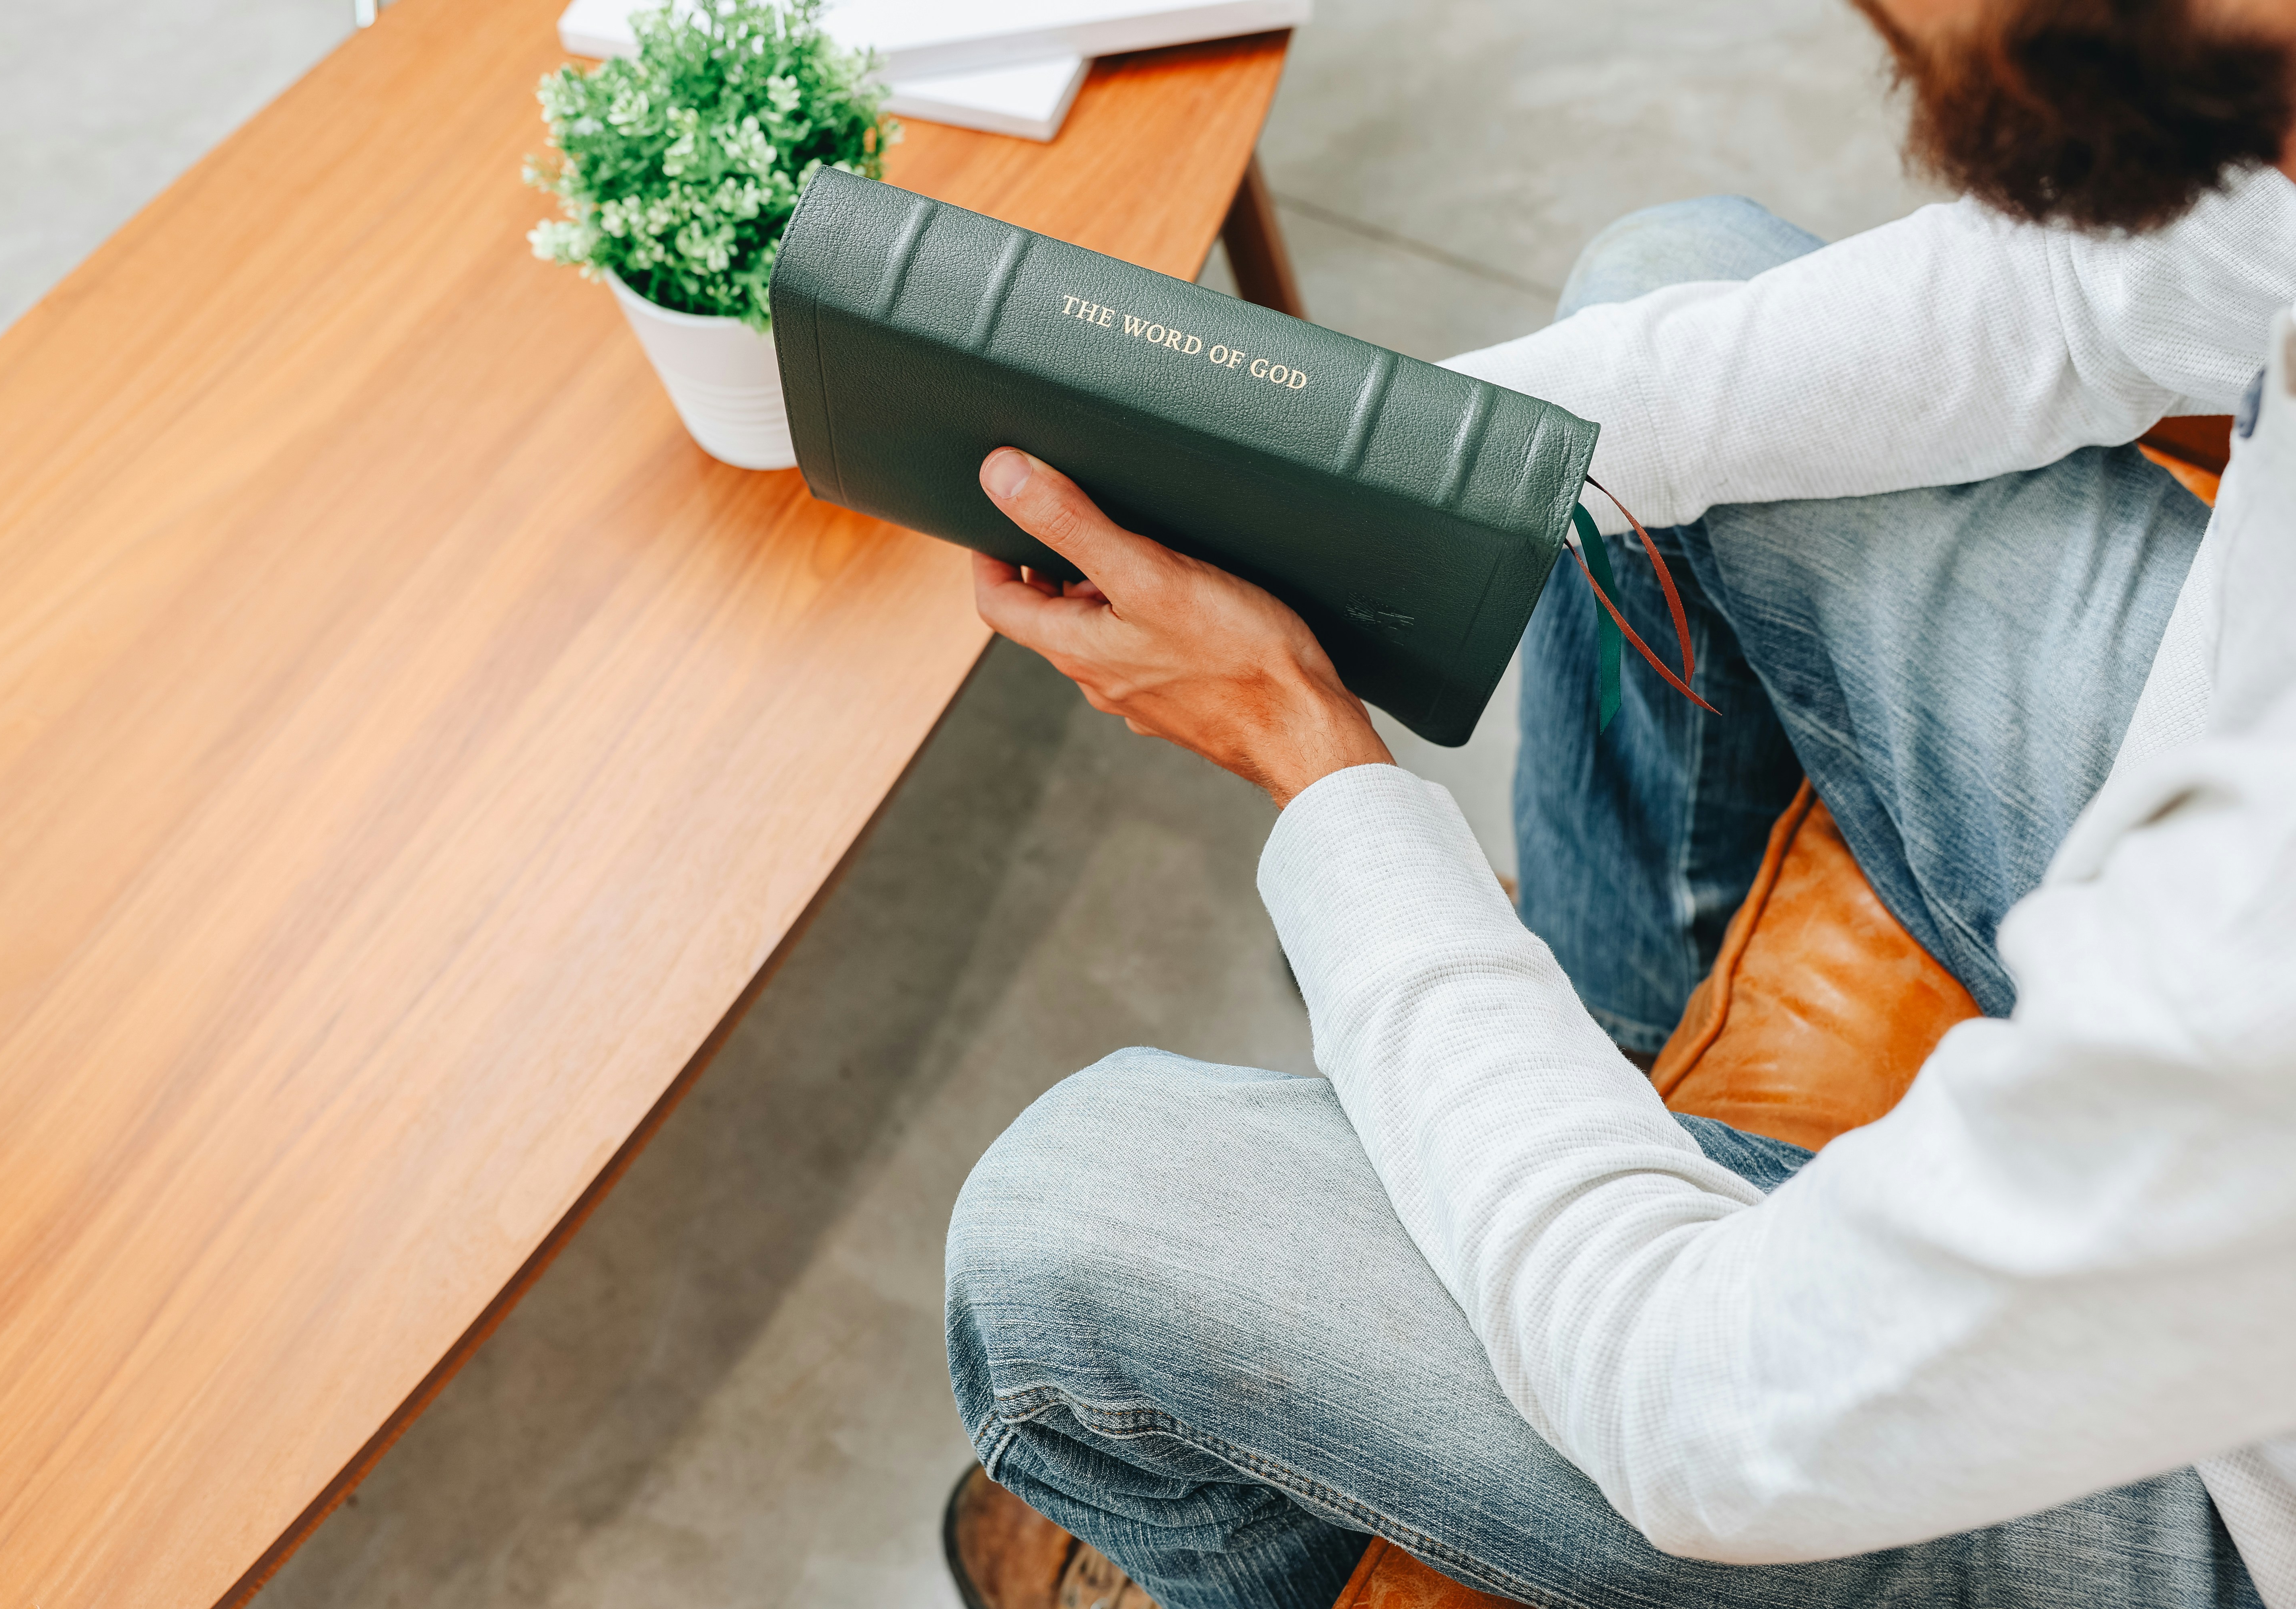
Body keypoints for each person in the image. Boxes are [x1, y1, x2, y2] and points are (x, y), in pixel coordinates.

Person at [940, 0, 2296, 1606]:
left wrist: (1315, 764)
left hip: (2229, 1463)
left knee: (1074, 1228)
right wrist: (1384, 468)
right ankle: (1585, 1063)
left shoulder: (2247, 953)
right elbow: (2088, 293)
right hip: (2211, 833)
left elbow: (1693, 1411)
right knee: (1669, 290)